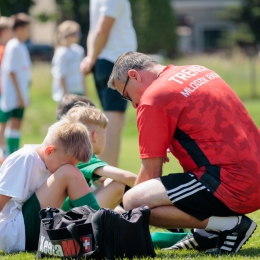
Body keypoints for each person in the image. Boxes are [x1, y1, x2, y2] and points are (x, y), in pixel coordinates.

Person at [107, 51, 260, 254]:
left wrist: (125, 216)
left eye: (126, 95)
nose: (134, 104)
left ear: (134, 75)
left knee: (134, 202)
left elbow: (150, 174)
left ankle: (230, 225)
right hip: (251, 176)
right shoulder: (199, 70)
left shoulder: (153, 98)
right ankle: (206, 234)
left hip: (233, 184)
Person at [0, 115, 99, 253]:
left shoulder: (49, 162)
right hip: (15, 232)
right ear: (50, 151)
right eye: (65, 163)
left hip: (31, 227)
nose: (63, 168)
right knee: (70, 173)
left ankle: (101, 226)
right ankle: (102, 227)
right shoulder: (24, 158)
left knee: (71, 172)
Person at [80, 0, 137, 167]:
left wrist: (91, 57)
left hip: (104, 61)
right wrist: (91, 58)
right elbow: (102, 29)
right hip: (115, 61)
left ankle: (110, 177)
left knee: (112, 121)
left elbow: (95, 31)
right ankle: (102, 178)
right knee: (113, 122)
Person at [56, 96, 136, 211]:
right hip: (72, 218)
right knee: (118, 183)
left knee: (119, 211)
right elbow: (127, 177)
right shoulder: (83, 156)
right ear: (95, 135)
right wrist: (153, 190)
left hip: (67, 213)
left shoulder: (69, 153)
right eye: (105, 133)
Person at [0, 13, 31, 155]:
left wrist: (25, 94)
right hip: (13, 95)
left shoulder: (22, 46)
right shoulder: (13, 46)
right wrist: (19, 95)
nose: (29, 31)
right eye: (27, 28)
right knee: (11, 123)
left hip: (21, 94)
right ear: (19, 29)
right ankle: (8, 153)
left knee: (17, 123)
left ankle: (14, 150)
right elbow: (11, 71)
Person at [51, 20, 86, 102]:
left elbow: (81, 73)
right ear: (68, 35)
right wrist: (66, 94)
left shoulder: (78, 50)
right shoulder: (61, 53)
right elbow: (61, 75)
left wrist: (84, 91)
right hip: (67, 92)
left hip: (78, 90)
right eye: (76, 33)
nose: (79, 36)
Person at [0, 17, 13, 161]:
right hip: (2, 91)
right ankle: (3, 152)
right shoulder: (3, 50)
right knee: (2, 124)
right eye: (10, 30)